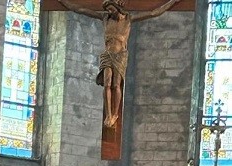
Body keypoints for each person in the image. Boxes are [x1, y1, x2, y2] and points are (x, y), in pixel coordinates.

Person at [56, 0, 182, 129]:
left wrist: (173, 1)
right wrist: (62, 1)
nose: (109, 12)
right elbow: (80, 9)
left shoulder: (128, 19)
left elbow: (153, 13)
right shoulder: (105, 18)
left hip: (120, 55)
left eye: (112, 9)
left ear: (118, 8)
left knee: (116, 85)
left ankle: (115, 114)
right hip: (107, 55)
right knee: (107, 83)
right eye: (108, 10)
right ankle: (108, 115)